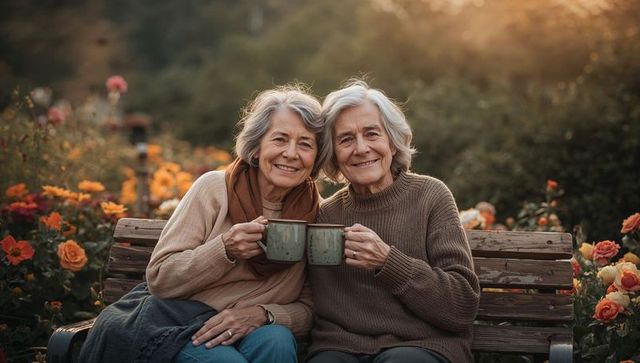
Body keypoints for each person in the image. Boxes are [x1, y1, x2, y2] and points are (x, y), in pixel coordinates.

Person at [79, 85, 328, 363]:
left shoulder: (314, 211)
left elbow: (308, 307)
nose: (291, 153)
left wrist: (263, 314)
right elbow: (161, 277)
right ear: (257, 148)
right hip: (179, 323)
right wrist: (225, 249)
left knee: (277, 340)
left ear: (316, 157)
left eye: (305, 143)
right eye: (280, 139)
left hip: (251, 325)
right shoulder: (214, 189)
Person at [307, 80, 480, 363]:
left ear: (392, 140)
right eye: (346, 139)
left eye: (372, 134)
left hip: (423, 346)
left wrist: (388, 261)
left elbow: (461, 306)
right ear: (333, 154)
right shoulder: (327, 214)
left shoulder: (430, 196)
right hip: (341, 349)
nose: (361, 148)